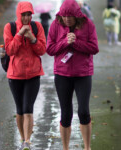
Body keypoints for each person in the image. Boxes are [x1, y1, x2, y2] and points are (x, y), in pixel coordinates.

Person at [46, 0, 99, 150]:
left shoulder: (88, 24)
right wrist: (65, 42)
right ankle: (65, 148)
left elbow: (94, 48)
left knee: (83, 111)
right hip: (62, 74)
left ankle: (87, 147)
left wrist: (76, 43)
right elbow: (49, 49)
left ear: (77, 15)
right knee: (65, 114)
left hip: (83, 74)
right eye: (64, 16)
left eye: (70, 16)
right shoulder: (55, 25)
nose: (67, 19)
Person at [3, 1, 46, 150]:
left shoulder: (37, 27)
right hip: (15, 75)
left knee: (28, 107)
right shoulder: (10, 27)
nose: (27, 18)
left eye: (29, 14)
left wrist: (33, 39)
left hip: (33, 74)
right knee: (20, 109)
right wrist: (20, 35)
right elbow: (10, 50)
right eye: (24, 15)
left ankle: (27, 141)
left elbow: (42, 50)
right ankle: (23, 138)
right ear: (19, 14)